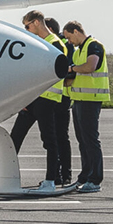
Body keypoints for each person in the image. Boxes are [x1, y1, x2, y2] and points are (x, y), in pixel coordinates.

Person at [0, 11, 67, 191]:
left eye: (27, 26)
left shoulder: (56, 44)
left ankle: (50, 180)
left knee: (49, 140)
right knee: (15, 137)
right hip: (32, 99)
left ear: (37, 22)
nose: (27, 30)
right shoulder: (38, 43)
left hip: (47, 99)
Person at [62, 20, 109, 193]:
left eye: (68, 37)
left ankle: (95, 179)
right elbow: (75, 74)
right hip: (79, 99)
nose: (68, 42)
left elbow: (90, 66)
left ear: (75, 31)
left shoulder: (94, 46)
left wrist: (72, 69)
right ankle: (84, 176)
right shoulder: (78, 51)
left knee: (90, 139)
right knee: (82, 140)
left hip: (91, 99)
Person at [44, 17, 73, 186]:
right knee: (58, 137)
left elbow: (67, 71)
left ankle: (62, 174)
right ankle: (59, 174)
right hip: (59, 95)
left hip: (59, 97)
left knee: (59, 137)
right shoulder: (62, 44)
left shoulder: (60, 45)